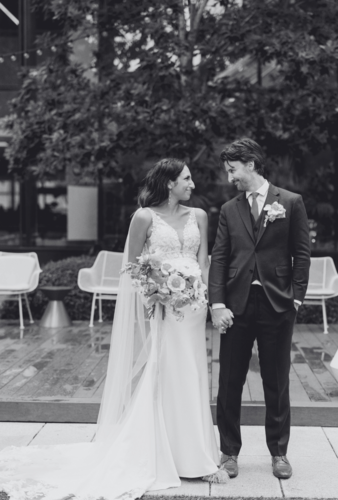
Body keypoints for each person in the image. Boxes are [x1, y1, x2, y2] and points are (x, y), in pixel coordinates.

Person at [0, 158, 227, 500]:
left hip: (193, 309)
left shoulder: (200, 216)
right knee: (167, 373)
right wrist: (157, 291)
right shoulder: (144, 217)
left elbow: (204, 262)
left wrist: (211, 303)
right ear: (169, 183)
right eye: (187, 178)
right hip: (164, 308)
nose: (192, 184)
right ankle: (164, 455)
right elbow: (132, 268)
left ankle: (198, 456)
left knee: (194, 374)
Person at [209, 138, 311, 480]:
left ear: (250, 164)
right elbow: (220, 258)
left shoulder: (291, 202)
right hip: (235, 306)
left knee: (277, 381)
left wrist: (295, 299)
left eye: (233, 169)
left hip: (277, 304)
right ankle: (228, 452)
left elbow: (302, 254)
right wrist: (218, 303)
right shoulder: (228, 209)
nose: (230, 178)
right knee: (229, 382)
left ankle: (279, 453)